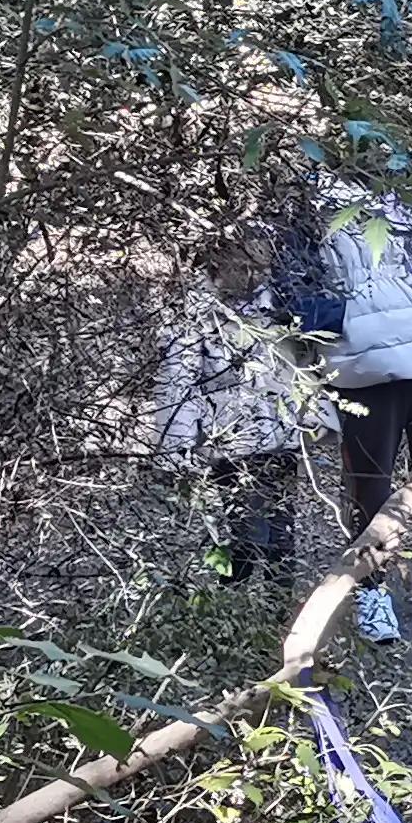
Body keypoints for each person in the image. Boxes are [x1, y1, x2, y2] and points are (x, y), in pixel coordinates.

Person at [306, 181, 412, 644]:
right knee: (380, 481)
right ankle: (381, 591)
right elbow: (301, 280)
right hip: (373, 361)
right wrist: (327, 325)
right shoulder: (319, 200)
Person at [151, 240, 322, 590]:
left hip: (279, 434)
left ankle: (279, 610)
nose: (250, 276)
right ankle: (235, 603)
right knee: (240, 531)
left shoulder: (280, 304)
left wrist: (309, 414)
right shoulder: (197, 315)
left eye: (257, 268)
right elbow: (177, 383)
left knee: (282, 530)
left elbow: (302, 363)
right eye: (241, 267)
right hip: (229, 439)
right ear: (217, 267)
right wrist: (176, 452)